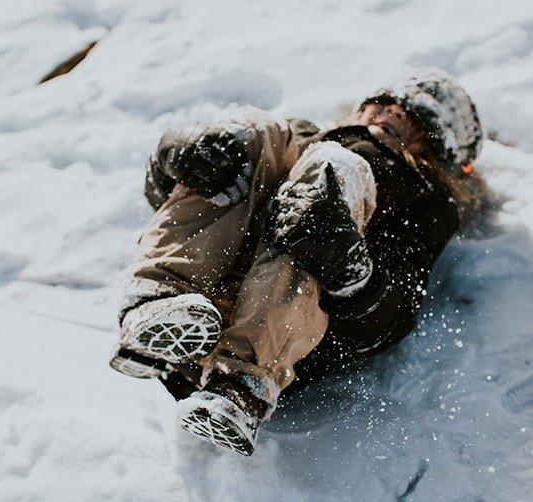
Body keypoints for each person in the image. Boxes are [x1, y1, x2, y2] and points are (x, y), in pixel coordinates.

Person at [109, 68, 490, 456]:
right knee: (256, 130)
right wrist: (178, 158)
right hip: (198, 312)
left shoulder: (423, 201)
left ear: (438, 153)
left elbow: (395, 311)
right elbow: (181, 208)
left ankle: (243, 384)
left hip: (280, 336)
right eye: (385, 103)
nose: (393, 115)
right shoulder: (300, 138)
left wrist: (349, 270)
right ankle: (156, 302)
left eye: (415, 120)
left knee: (335, 167)